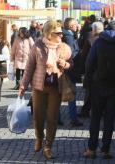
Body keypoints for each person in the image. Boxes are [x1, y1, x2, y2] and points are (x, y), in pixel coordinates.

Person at [18, 20, 72, 160]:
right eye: (58, 33)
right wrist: (23, 85)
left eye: (61, 32)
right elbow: (29, 67)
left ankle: (48, 146)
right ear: (48, 34)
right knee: (38, 117)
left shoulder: (64, 47)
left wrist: (65, 64)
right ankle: (39, 138)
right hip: (39, 86)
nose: (61, 35)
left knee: (52, 118)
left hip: (56, 87)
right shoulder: (37, 46)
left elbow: (71, 64)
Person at [83, 26, 115, 159]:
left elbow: (89, 63)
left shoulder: (99, 42)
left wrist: (88, 82)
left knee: (95, 117)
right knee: (110, 119)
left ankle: (91, 149)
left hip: (98, 85)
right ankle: (105, 150)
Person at [79, 21, 104, 118]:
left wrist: (82, 71)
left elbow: (85, 57)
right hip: (104, 70)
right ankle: (100, 110)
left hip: (92, 70)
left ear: (93, 30)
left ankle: (86, 111)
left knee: (89, 92)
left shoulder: (90, 39)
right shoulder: (108, 38)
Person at [62, 18, 83, 127]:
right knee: (71, 95)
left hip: (66, 69)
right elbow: (70, 53)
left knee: (61, 94)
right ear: (71, 26)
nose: (77, 26)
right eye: (76, 24)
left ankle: (58, 118)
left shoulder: (66, 35)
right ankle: (73, 119)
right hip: (70, 70)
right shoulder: (69, 37)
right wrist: (79, 53)